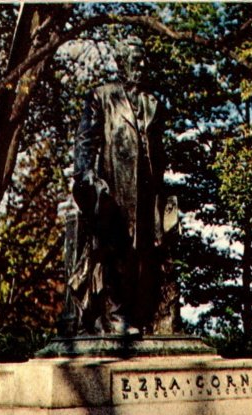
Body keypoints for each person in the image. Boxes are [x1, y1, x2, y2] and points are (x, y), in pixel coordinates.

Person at [68, 35, 179, 336]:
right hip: (114, 188)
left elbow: (160, 154)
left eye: (143, 58)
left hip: (148, 193)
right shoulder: (102, 96)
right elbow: (85, 142)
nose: (141, 65)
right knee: (116, 251)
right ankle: (115, 316)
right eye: (134, 58)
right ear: (120, 62)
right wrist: (86, 177)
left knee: (147, 253)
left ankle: (147, 315)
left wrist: (166, 193)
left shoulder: (153, 103)